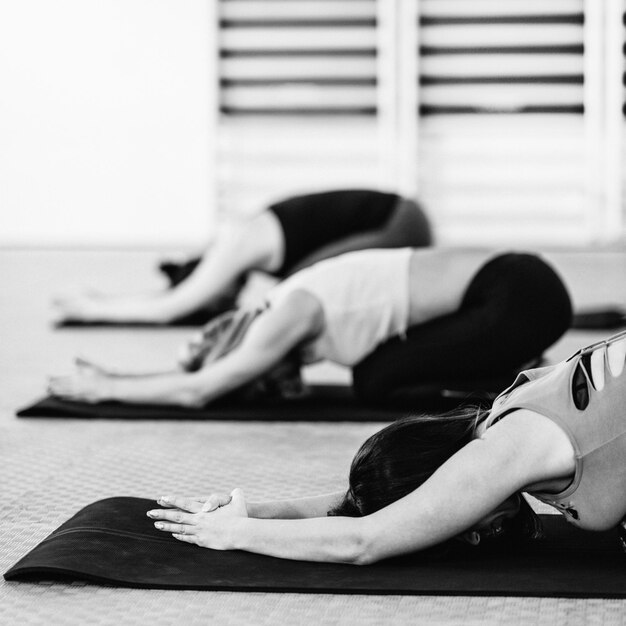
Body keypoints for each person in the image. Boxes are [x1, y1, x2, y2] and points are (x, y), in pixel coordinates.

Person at [143, 331, 626, 564]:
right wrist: (252, 511)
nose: (471, 535)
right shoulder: (498, 416)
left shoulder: (500, 452)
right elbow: (364, 505)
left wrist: (236, 535)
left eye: (454, 528)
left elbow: (364, 540)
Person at [47, 247, 571, 408]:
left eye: (254, 378)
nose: (273, 384)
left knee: (375, 380)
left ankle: (526, 380)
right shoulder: (286, 304)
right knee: (377, 371)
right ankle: (521, 361)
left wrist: (107, 387)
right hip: (523, 291)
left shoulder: (286, 314)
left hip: (521, 297)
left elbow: (199, 391)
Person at [52, 189, 432, 325]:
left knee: (304, 290)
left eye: (214, 294)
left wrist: (91, 310)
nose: (220, 300)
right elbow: (173, 298)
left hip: (401, 223)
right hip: (401, 219)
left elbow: (172, 306)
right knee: (292, 291)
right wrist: (107, 298)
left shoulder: (236, 243)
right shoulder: (248, 239)